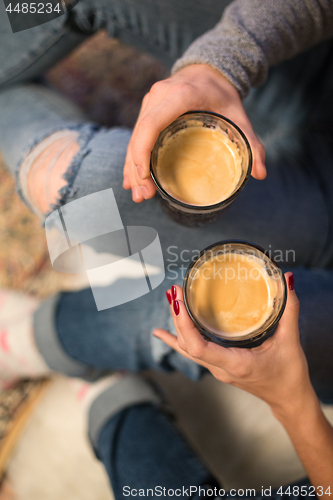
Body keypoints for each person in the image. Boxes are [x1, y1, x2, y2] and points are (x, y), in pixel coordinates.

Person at [0, 0, 332, 493]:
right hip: (315, 85)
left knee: (64, 184)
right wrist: (220, 65)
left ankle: (48, 337)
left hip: (319, 231)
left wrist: (292, 402)